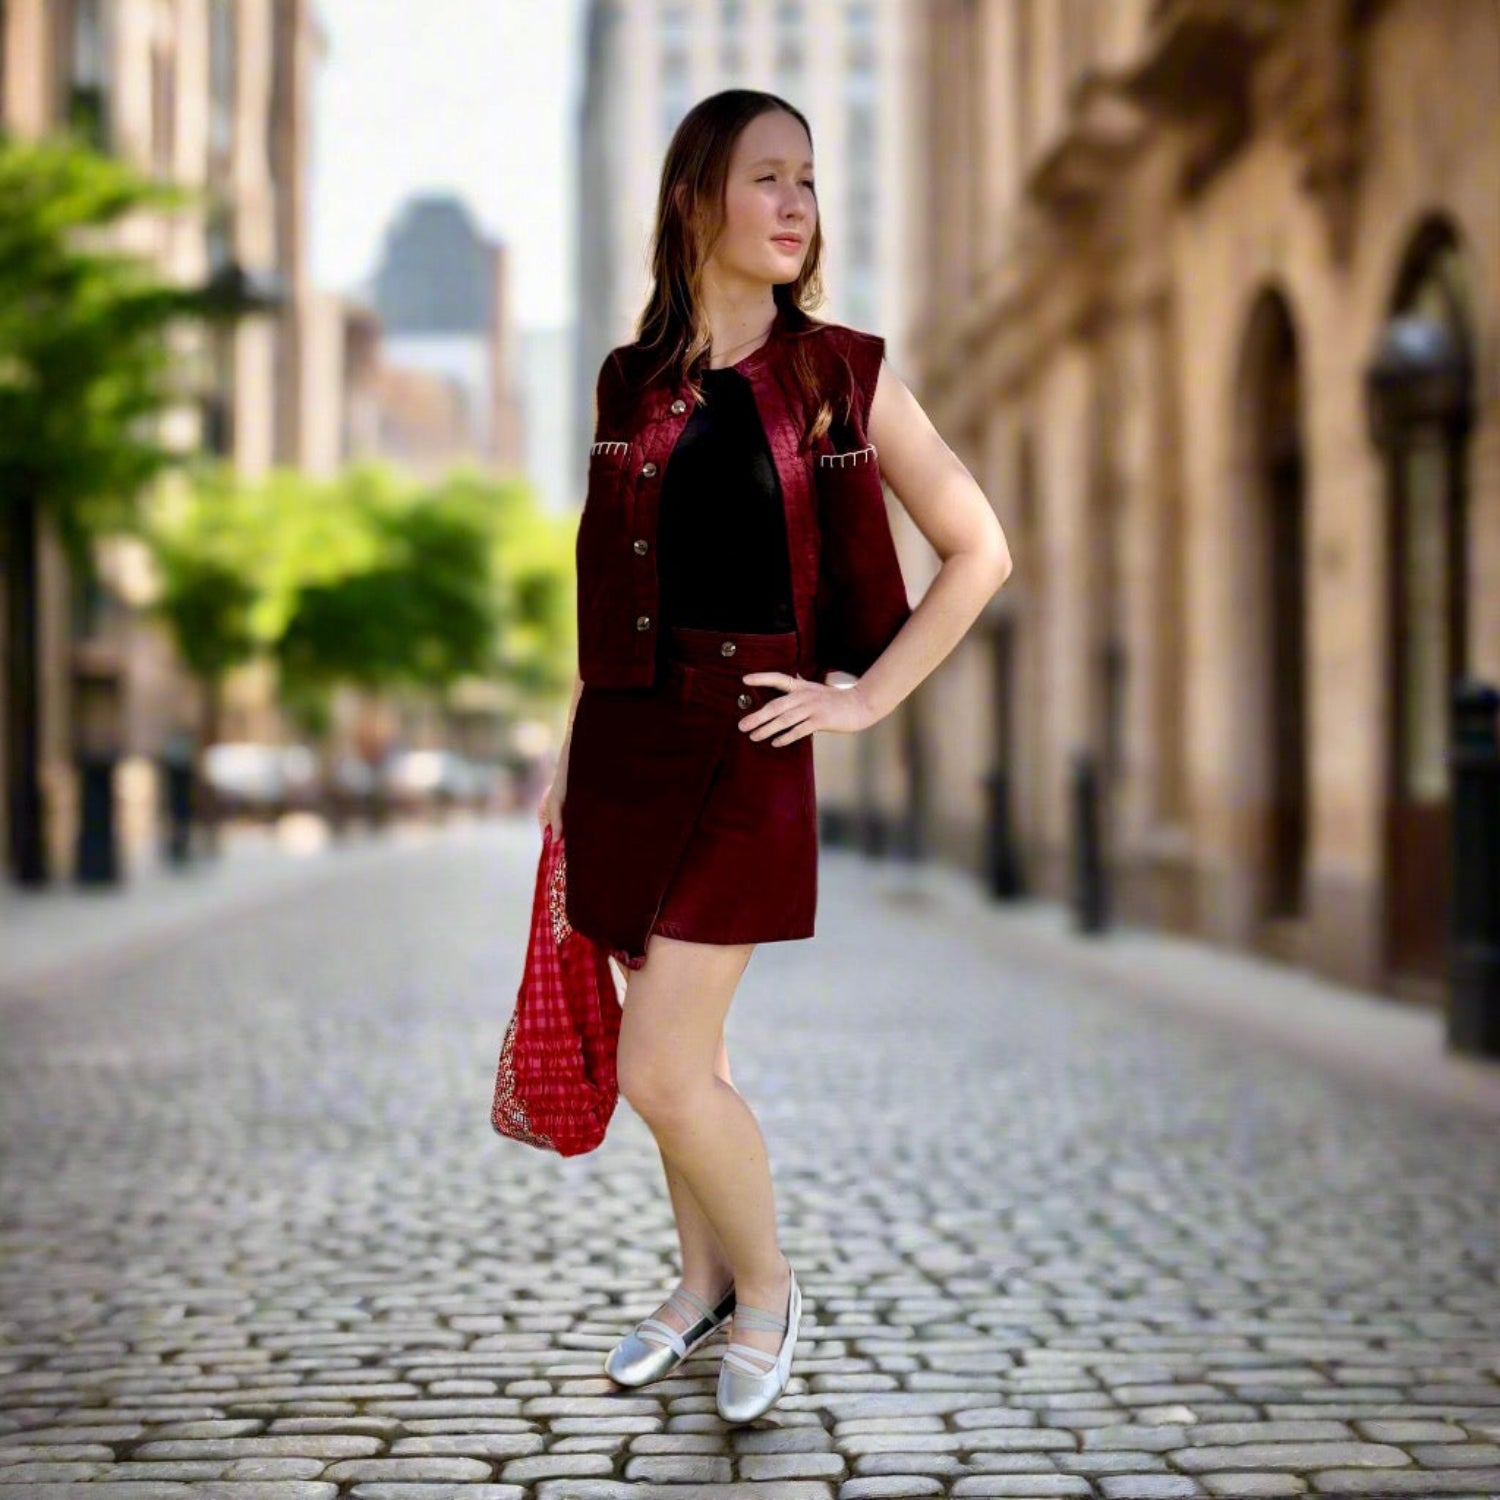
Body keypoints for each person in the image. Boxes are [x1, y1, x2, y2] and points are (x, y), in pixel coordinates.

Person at [537, 89, 1012, 1424]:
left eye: (809, 180)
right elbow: (613, 578)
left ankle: (767, 1289)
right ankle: (694, 1291)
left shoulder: (844, 375)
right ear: (697, 201)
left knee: (662, 1072)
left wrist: (864, 700)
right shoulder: (629, 380)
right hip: (630, 740)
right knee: (685, 1060)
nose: (800, 204)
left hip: (751, 743)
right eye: (769, 179)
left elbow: (979, 550)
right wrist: (572, 749)